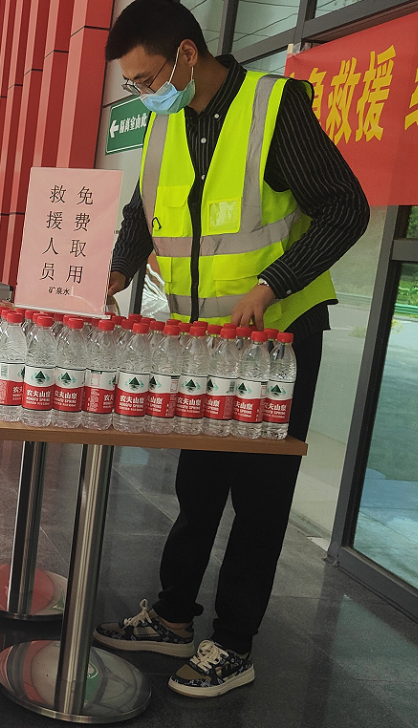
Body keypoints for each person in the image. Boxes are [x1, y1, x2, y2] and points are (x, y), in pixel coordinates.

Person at [95, 0, 370, 699]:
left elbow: (346, 208)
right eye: (133, 84)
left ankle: (235, 643)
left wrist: (275, 283)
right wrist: (118, 270)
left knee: (259, 496)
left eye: (148, 78)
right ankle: (172, 616)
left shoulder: (275, 109)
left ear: (188, 54)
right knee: (197, 486)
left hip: (277, 341)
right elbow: (142, 213)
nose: (144, 93)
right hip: (206, 345)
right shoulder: (165, 123)